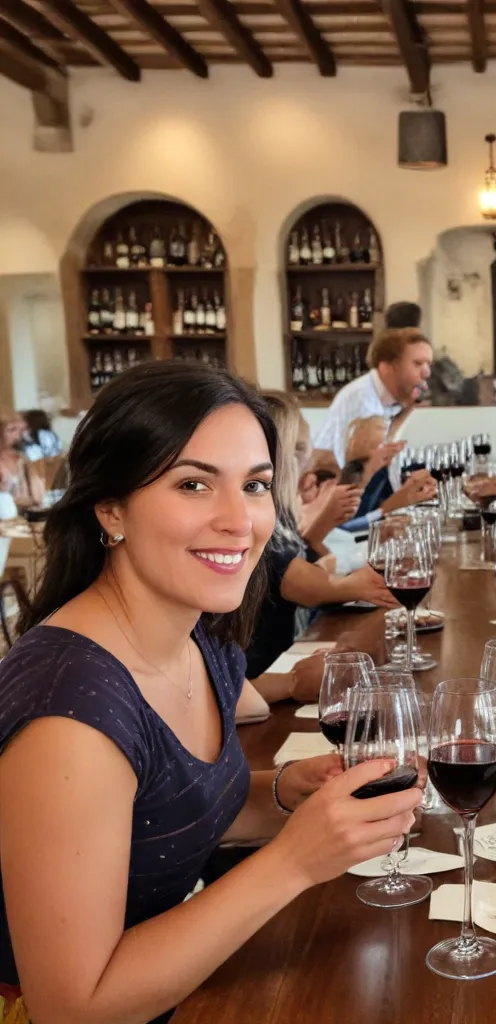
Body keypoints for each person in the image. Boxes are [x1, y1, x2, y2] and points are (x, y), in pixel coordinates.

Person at [0, 361, 420, 1024]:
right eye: (193, 484)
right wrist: (294, 860)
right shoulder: (70, 712)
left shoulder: (203, 640)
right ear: (111, 509)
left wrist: (284, 794)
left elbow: (168, 813)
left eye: (255, 486)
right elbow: (72, 1007)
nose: (240, 520)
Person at [245, 392, 396, 688]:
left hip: (279, 657)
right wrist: (351, 585)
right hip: (260, 672)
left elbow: (306, 555)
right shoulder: (259, 514)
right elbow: (295, 580)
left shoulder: (280, 511)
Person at [313, 327, 433, 470]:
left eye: (428, 364)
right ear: (386, 367)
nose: (427, 373)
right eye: (418, 363)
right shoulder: (362, 399)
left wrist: (409, 406)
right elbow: (362, 472)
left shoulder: (389, 398)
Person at [0, 410, 43, 508]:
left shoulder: (21, 458)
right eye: (11, 430)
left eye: (20, 430)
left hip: (23, 517)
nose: (18, 435)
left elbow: (37, 497)